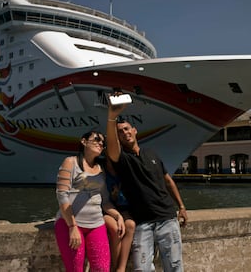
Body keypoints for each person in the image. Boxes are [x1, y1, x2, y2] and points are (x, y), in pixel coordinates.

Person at [106, 98, 188, 272]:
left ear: (135, 131)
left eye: (127, 129)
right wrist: (112, 117)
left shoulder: (152, 153)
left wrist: (181, 206)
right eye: (120, 132)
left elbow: (167, 180)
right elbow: (112, 146)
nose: (124, 133)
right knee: (142, 268)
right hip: (142, 221)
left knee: (174, 266)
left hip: (167, 217)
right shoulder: (122, 160)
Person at [54, 131, 125, 272]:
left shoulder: (100, 170)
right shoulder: (71, 162)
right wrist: (72, 226)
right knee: (75, 269)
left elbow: (104, 201)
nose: (100, 143)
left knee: (102, 269)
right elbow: (62, 195)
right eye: (96, 139)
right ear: (84, 141)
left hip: (96, 224)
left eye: (102, 142)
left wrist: (118, 216)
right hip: (72, 224)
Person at [104, 172, 136, 272]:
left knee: (130, 225)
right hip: (105, 208)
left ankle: (121, 268)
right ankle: (114, 266)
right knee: (116, 228)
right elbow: (104, 202)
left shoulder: (126, 171)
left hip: (123, 208)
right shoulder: (102, 173)